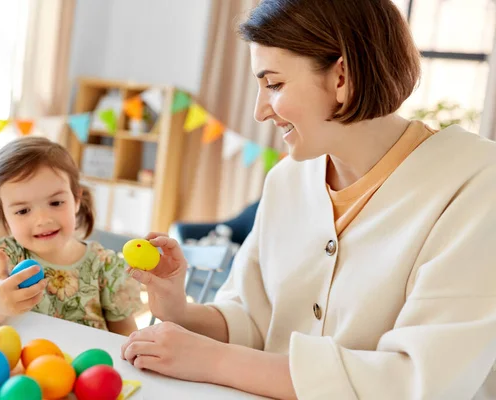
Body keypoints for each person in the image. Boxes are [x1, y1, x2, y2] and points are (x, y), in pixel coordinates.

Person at [120, 0, 496, 398]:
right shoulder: (287, 180)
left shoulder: (476, 183)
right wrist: (178, 309)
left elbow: (420, 382)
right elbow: (252, 319)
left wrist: (214, 360)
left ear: (342, 77)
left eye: (275, 84)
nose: (260, 111)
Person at [0, 137, 141, 336]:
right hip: (29, 364)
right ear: (3, 216)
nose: (43, 220)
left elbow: (126, 337)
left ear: (76, 199)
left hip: (87, 366)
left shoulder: (105, 265)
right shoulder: (6, 256)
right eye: (23, 211)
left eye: (56, 203)